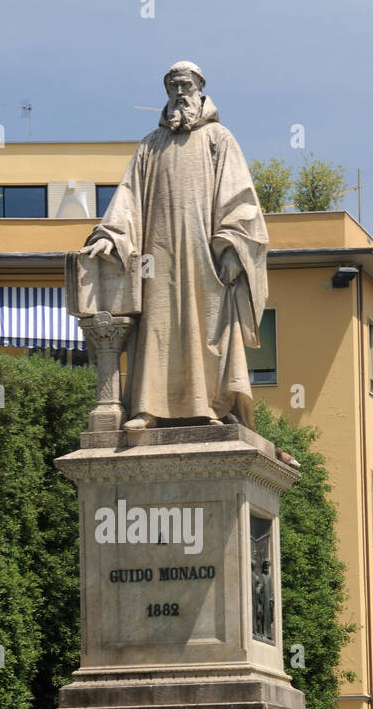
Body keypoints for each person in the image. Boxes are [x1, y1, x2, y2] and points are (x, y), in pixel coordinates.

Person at [81, 60, 268, 432]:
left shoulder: (219, 139)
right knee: (157, 326)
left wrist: (232, 244)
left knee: (206, 328)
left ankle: (209, 407)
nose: (179, 93)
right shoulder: (150, 147)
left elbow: (242, 200)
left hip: (205, 259)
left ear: (200, 89)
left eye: (186, 86)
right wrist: (110, 234)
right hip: (158, 257)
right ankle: (148, 409)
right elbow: (128, 198)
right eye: (172, 87)